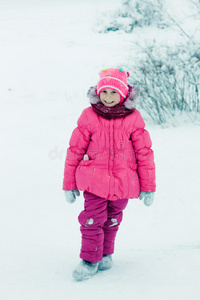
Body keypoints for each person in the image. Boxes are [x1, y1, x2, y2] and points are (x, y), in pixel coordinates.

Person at [63, 67, 156, 281]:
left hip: (123, 182)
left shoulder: (134, 119)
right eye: (104, 92)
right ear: (97, 92)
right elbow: (74, 150)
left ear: (123, 94)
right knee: (92, 220)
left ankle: (105, 255)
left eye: (113, 92)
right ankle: (89, 260)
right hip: (93, 181)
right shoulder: (89, 116)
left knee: (112, 220)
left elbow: (144, 153)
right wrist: (69, 184)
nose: (108, 97)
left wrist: (149, 187)